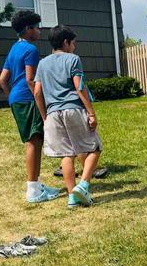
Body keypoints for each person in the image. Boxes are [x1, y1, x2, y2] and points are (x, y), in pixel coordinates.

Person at [34, 25, 102, 208]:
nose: (74, 46)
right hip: (73, 109)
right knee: (94, 148)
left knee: (66, 154)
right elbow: (79, 86)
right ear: (66, 42)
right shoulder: (73, 59)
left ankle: (72, 197)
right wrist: (91, 112)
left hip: (52, 113)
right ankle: (84, 185)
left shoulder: (42, 63)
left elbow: (37, 92)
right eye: (73, 43)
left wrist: (44, 116)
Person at [0, 10, 60, 203]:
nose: (39, 31)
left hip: (17, 100)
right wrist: (43, 107)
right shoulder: (31, 50)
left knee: (34, 141)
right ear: (28, 29)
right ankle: (32, 190)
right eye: (36, 27)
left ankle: (36, 184)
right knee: (34, 142)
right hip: (28, 99)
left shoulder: (14, 49)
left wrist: (12, 98)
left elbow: (2, 80)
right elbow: (30, 80)